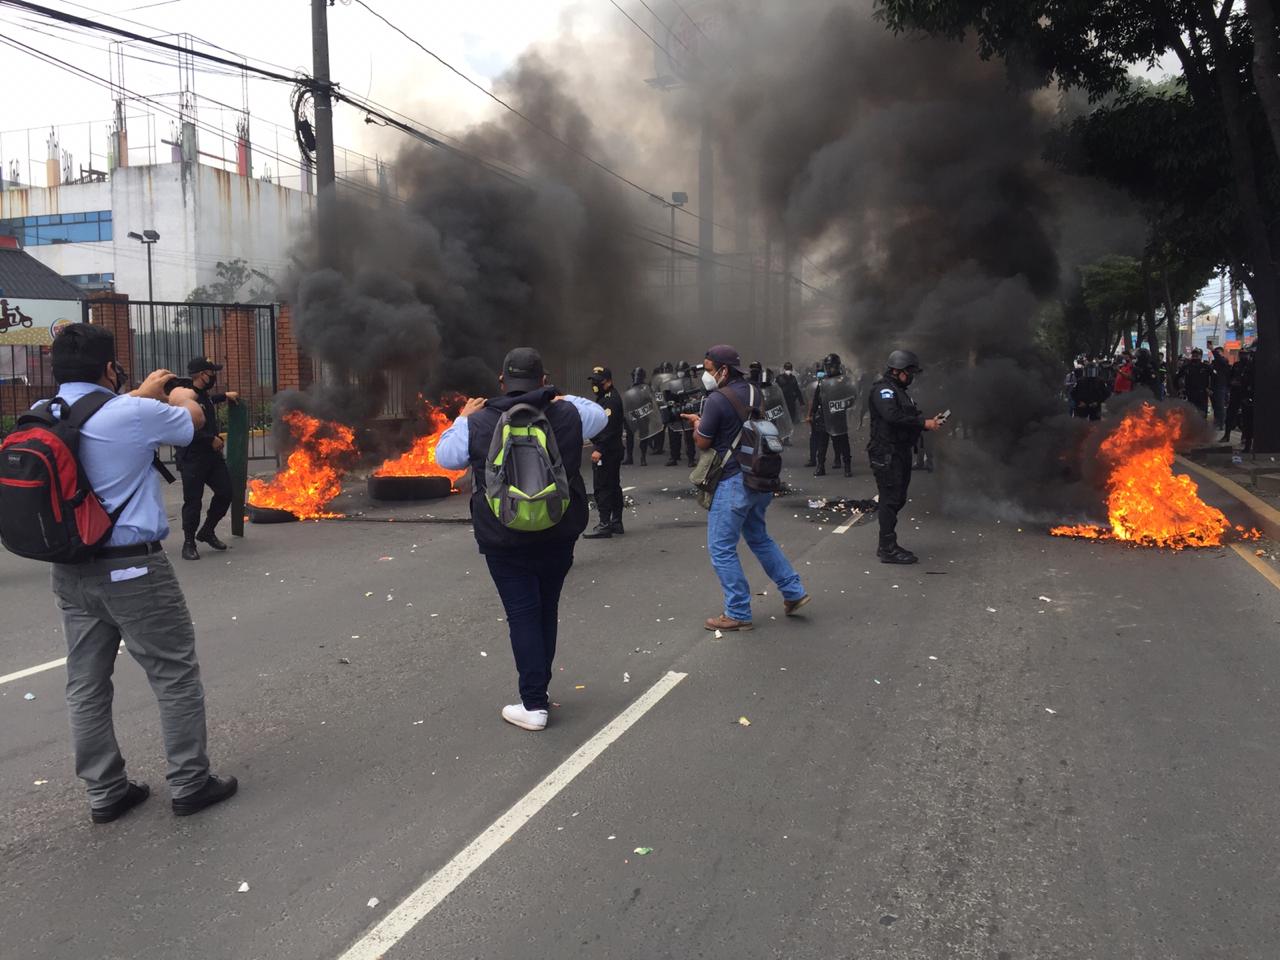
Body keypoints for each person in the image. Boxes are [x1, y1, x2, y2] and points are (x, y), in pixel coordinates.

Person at [40, 324, 238, 822]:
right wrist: (172, 389)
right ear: (110, 368)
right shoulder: (130, 411)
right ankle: (190, 783)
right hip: (132, 570)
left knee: (85, 683)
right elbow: (191, 418)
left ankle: (105, 792)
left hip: (70, 570)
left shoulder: (43, 415)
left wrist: (136, 394)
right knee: (174, 675)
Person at [435, 347, 606, 732]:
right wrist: (558, 395)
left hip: (502, 536)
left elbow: (445, 458)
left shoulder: (477, 421)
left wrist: (462, 417)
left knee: (523, 614)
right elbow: (598, 415)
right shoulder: (568, 412)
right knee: (546, 609)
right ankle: (538, 692)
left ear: (501, 381)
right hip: (559, 531)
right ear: (544, 380)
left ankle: (533, 704)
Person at [683, 344, 809, 632]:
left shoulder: (716, 399)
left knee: (721, 548)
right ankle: (794, 592)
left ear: (724, 370)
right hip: (758, 477)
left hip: (732, 482)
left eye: (709, 369)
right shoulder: (754, 391)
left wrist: (697, 425)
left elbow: (703, 441)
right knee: (759, 537)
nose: (706, 375)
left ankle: (738, 611)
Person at [867, 349, 943, 564]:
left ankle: (889, 544)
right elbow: (892, 416)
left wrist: (928, 422)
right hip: (886, 452)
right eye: (909, 372)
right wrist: (922, 423)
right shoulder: (884, 391)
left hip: (899, 451)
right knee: (890, 499)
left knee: (897, 498)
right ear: (897, 370)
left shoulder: (900, 391)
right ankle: (887, 548)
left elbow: (908, 417)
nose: (911, 377)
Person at [176, 357, 238, 561]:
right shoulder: (185, 397)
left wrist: (224, 396)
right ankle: (189, 542)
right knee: (193, 501)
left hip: (212, 457)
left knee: (226, 492)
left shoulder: (203, 395)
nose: (214, 376)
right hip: (193, 457)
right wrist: (208, 438)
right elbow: (180, 429)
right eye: (212, 373)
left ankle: (207, 531)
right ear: (202, 374)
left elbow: (209, 401)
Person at [584, 365, 626, 540]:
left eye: (598, 382)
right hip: (613, 449)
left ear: (608, 382)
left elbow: (609, 428)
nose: (595, 385)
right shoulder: (604, 398)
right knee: (613, 485)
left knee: (602, 487)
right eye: (593, 381)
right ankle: (616, 522)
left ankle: (604, 524)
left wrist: (599, 449)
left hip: (607, 450)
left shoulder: (610, 400)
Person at [622, 367, 647, 466]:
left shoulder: (646, 387)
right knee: (629, 437)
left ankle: (643, 457)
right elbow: (627, 400)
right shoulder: (630, 387)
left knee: (644, 437)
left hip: (643, 414)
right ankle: (629, 457)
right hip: (631, 414)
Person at [1177, 348, 1212, 416]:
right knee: (1189, 414)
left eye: (1197, 355)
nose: (1195, 357)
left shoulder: (1206, 367)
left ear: (1201, 356)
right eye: (1194, 355)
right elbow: (1177, 378)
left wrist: (1210, 388)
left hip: (1202, 393)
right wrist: (1179, 388)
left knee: (1202, 413)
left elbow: (1215, 378)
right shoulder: (1186, 367)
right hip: (1189, 393)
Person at [1210, 346, 1232, 429]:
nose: (1217, 354)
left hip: (1221, 386)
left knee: (1220, 405)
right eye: (1216, 352)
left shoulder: (1224, 361)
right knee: (1215, 406)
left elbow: (1221, 361)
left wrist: (1212, 350)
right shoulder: (1213, 363)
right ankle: (1216, 421)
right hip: (1213, 386)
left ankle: (1221, 423)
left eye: (1218, 352)